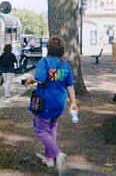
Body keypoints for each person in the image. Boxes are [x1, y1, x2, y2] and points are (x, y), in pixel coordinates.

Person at [25, 36, 78, 173]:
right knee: (52, 128)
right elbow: (70, 85)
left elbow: (40, 78)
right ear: (62, 51)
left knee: (41, 130)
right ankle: (49, 159)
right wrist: (73, 102)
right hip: (60, 102)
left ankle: (57, 154)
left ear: (48, 49)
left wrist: (30, 81)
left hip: (45, 102)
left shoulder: (44, 62)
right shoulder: (65, 65)